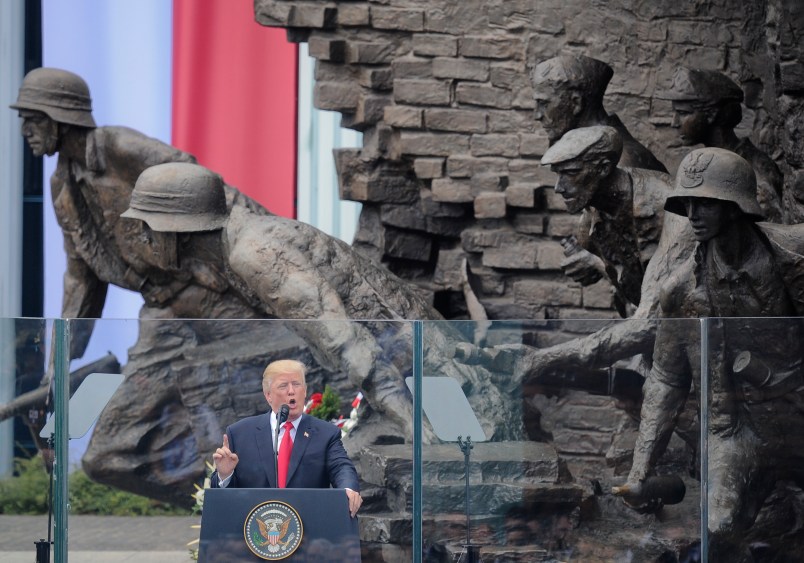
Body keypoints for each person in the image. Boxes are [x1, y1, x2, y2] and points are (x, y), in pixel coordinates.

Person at [615, 147, 804, 559]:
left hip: (799, 410)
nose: (694, 214)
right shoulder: (681, 291)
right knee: (716, 528)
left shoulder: (795, 254)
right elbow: (666, 379)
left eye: (706, 203)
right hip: (740, 430)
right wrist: (640, 471)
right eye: (688, 204)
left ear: (736, 208)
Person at [9, 67, 267, 360]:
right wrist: (59, 361)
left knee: (269, 368)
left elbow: (198, 183)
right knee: (129, 401)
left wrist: (266, 243)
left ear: (61, 120)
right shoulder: (63, 189)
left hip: (214, 293)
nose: (25, 131)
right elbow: (81, 280)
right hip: (162, 311)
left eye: (33, 120)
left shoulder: (117, 147)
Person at [541, 125, 674, 315]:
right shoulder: (589, 224)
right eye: (558, 174)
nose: (558, 187)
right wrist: (596, 266)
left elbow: (664, 294)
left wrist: (594, 264)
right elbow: (636, 293)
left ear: (603, 168)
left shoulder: (665, 204)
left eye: (570, 173)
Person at [211, 359, 362, 517]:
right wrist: (225, 475)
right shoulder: (240, 433)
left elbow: (341, 467)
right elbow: (221, 497)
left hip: (309, 527)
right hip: (254, 529)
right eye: (283, 386)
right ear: (268, 395)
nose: (291, 391)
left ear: (304, 391)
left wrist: (348, 489)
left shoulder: (325, 433)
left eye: (296, 384)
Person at [659, 66, 784, 222]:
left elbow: (770, 235)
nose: (674, 123)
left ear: (711, 114)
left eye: (684, 113)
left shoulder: (754, 176)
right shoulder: (710, 163)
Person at [530, 53, 667, 172]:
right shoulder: (590, 151)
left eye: (544, 104)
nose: (537, 115)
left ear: (576, 103)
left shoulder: (621, 163)